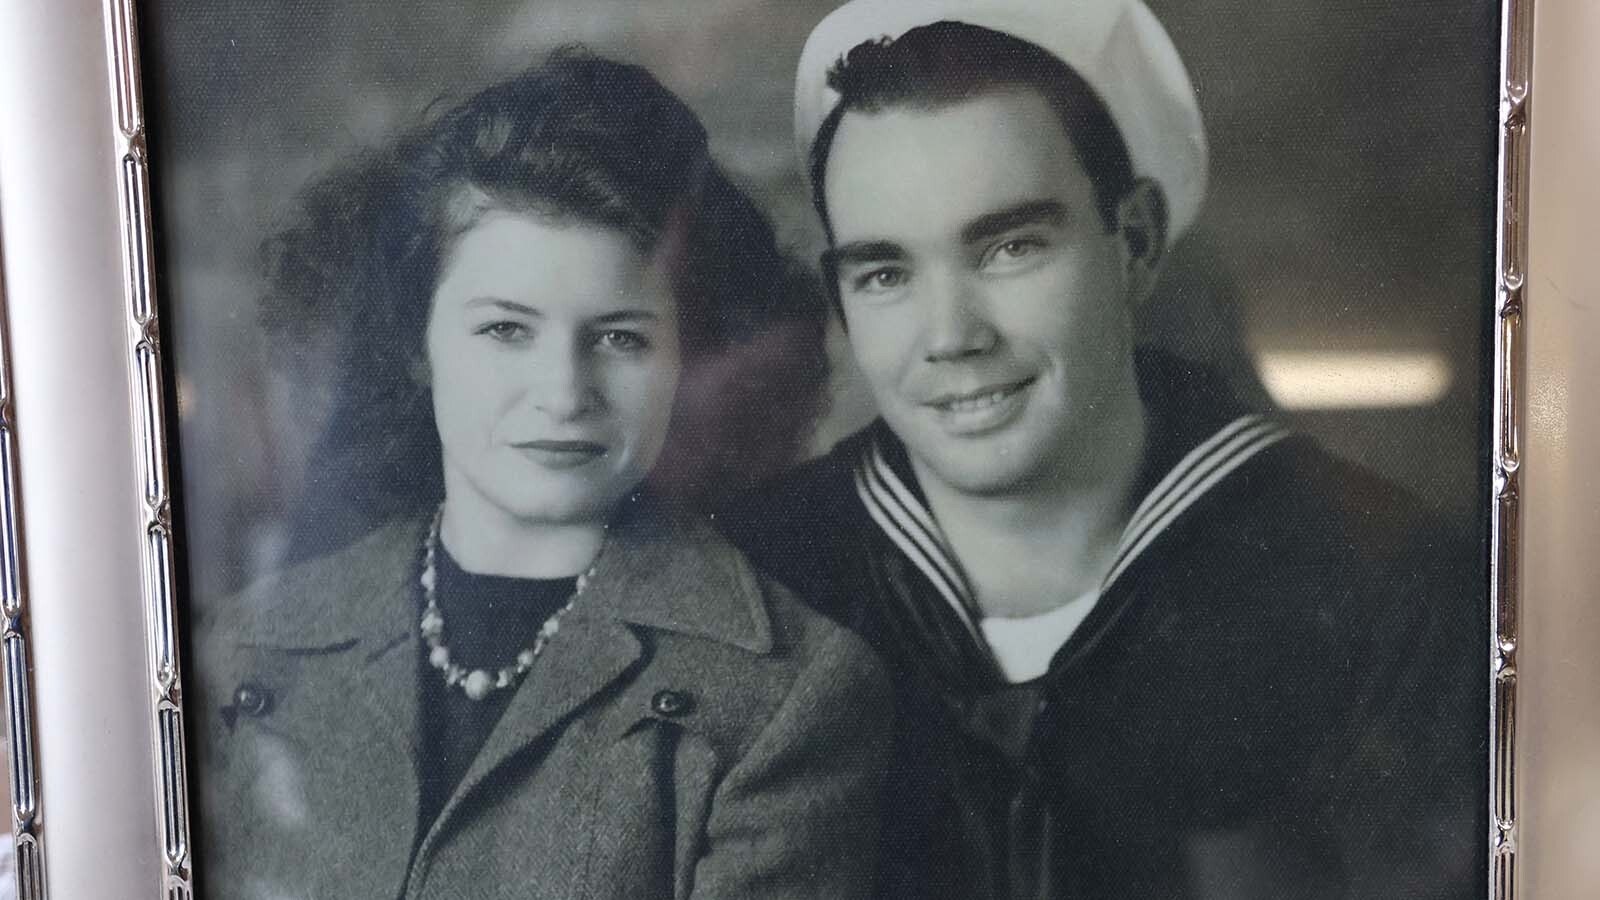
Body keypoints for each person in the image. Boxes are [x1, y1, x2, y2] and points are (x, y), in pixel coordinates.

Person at [722, 1, 1485, 898]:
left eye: (1010, 247)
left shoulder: (1379, 582)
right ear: (841, 299)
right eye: (886, 273)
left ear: (1135, 245)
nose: (951, 335)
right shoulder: (751, 585)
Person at [193, 49, 890, 900]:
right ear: (418, 343)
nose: (564, 395)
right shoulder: (245, 651)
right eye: (505, 331)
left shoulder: (788, 701)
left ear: (684, 356)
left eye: (620, 338)